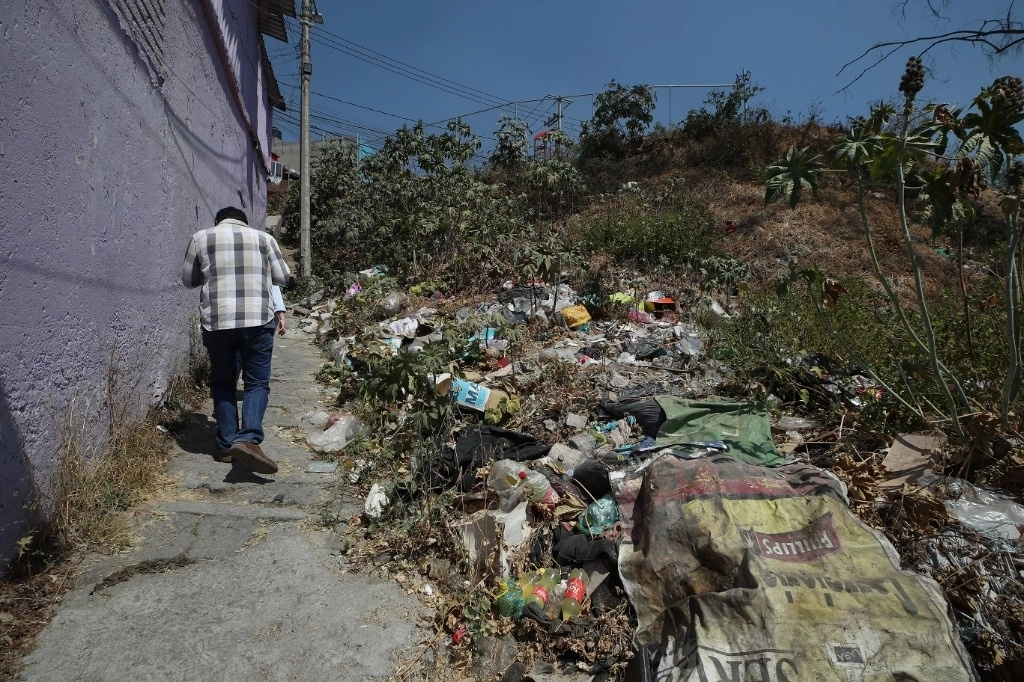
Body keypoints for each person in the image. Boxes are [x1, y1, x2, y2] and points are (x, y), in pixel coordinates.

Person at [181, 206, 291, 475]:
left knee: (223, 381)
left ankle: (227, 443)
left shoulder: (200, 238)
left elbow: (189, 281)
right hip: (257, 320)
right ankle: (249, 439)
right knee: (256, 383)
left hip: (218, 322)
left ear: (218, 222)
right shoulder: (264, 238)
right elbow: (283, 277)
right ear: (244, 222)